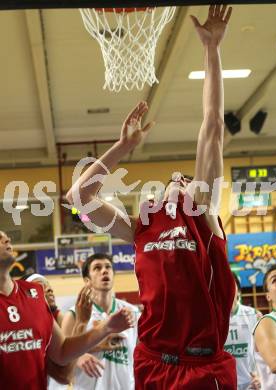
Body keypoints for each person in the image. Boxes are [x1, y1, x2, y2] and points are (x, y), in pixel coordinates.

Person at [66, 4, 236, 389]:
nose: (175, 179)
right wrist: (122, 148)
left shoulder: (202, 213)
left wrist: (212, 50)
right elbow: (80, 197)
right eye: (168, 179)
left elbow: (212, 128)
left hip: (202, 365)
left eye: (183, 178)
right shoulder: (140, 227)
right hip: (153, 360)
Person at [0, 230, 134, 390]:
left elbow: (63, 354)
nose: (7, 239)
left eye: (7, 237)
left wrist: (106, 328)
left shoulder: (34, 294)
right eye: (0, 238)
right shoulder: (71, 314)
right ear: (87, 280)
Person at [61, 253, 139, 390]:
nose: (104, 270)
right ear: (87, 280)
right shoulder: (73, 315)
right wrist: (78, 357)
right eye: (97, 268)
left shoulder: (132, 312)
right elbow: (60, 359)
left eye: (108, 267)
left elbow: (142, 354)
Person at [225, 274, 261, 390]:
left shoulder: (254, 315)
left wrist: (261, 376)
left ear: (239, 291)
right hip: (224, 384)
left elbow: (265, 353)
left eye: (232, 284)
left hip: (251, 385)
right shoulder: (213, 319)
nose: (227, 287)